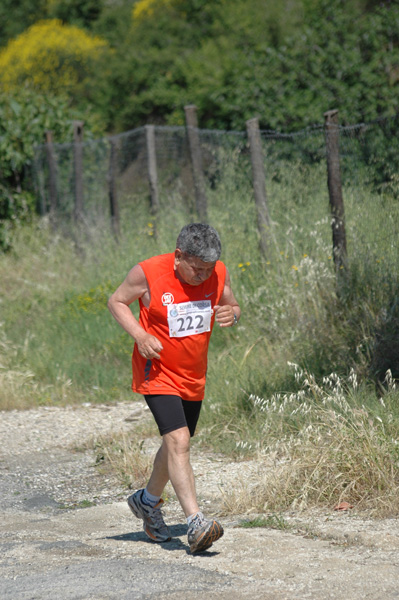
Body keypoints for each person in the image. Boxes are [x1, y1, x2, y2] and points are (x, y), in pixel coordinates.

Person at [107, 223, 241, 553]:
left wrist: (232, 314)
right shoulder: (148, 273)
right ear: (178, 255)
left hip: (193, 376)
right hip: (158, 371)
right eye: (197, 269)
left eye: (208, 269)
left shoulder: (217, 273)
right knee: (179, 439)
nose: (203, 275)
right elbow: (117, 302)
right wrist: (140, 336)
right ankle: (196, 522)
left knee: (175, 445)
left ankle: (147, 501)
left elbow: (232, 305)